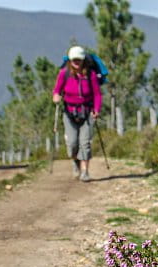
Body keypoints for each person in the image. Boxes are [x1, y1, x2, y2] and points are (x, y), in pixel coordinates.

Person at [52, 46, 102, 182]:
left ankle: (85, 172)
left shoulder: (90, 75)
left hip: (87, 113)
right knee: (73, 143)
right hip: (69, 113)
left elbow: (97, 94)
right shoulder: (64, 73)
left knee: (85, 143)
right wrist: (56, 97)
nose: (76, 62)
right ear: (70, 60)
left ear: (83, 60)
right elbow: (57, 90)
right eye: (74, 60)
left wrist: (96, 110)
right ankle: (76, 162)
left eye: (79, 60)